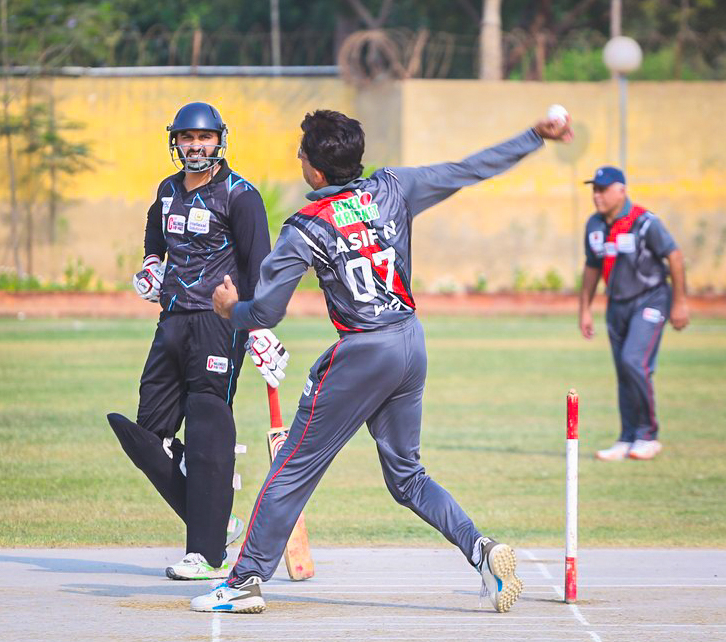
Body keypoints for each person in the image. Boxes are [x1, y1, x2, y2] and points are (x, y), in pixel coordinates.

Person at [189, 108, 573, 614]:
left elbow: (266, 312)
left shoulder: (304, 227)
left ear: (315, 170)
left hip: (364, 351)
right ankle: (481, 551)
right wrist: (533, 136)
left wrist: (229, 310)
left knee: (293, 466)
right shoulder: (393, 187)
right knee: (407, 476)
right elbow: (468, 170)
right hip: (410, 342)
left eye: (301, 154)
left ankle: (243, 581)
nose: (299, 159)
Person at [106, 102, 289, 581]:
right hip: (171, 321)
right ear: (176, 142)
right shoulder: (167, 191)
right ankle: (216, 517)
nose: (195, 146)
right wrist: (152, 264)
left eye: (204, 137)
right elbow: (155, 233)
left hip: (218, 323)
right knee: (149, 435)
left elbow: (260, 267)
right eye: (187, 137)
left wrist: (259, 328)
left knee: (208, 426)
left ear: (219, 140)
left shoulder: (240, 195)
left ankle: (206, 555)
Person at [578, 166, 689, 461]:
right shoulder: (594, 225)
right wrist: (585, 309)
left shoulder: (644, 222)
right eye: (594, 190)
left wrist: (680, 302)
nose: (597, 195)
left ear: (621, 191)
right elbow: (592, 267)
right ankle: (627, 437)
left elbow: (674, 255)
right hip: (617, 304)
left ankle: (647, 435)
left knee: (634, 361)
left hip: (651, 299)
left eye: (603, 189)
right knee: (624, 370)